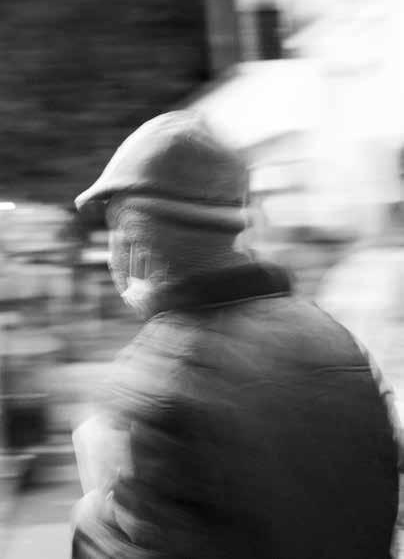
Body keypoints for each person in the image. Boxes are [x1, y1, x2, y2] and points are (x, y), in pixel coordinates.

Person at [72, 110, 399, 559]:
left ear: (135, 244)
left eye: (114, 229)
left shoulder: (152, 381)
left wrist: (93, 516)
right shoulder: (337, 339)